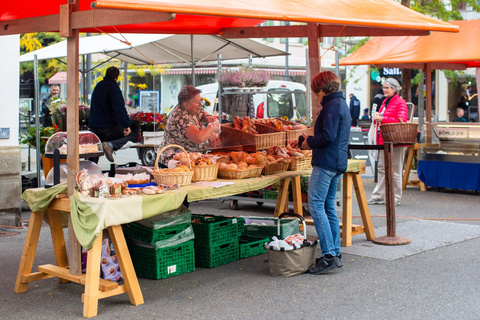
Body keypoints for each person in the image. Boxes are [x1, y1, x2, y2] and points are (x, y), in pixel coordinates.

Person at [298, 71, 351, 274]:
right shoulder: (341, 104)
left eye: (315, 91)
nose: (315, 95)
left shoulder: (331, 105)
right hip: (337, 162)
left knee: (316, 205)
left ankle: (329, 255)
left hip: (326, 162)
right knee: (328, 206)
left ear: (321, 89)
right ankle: (334, 253)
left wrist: (308, 141)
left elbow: (327, 135)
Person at [367, 78, 409, 206]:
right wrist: (377, 118)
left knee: (395, 169)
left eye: (387, 87)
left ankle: (396, 196)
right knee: (382, 168)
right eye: (384, 87)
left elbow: (402, 120)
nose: (384, 90)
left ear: (395, 89)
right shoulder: (385, 102)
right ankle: (378, 195)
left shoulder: (400, 102)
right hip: (384, 139)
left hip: (397, 141)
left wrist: (382, 118)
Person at [159, 85, 220, 167]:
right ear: (186, 105)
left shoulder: (191, 110)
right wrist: (212, 126)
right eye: (197, 102)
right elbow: (199, 137)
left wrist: (207, 116)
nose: (201, 104)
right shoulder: (181, 117)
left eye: (201, 101)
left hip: (190, 162)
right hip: (175, 163)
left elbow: (201, 113)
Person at [88, 66, 139, 162]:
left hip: (94, 126)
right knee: (133, 135)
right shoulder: (114, 88)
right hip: (108, 128)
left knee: (94, 152)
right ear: (117, 77)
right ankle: (111, 145)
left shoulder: (98, 86)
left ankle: (88, 172)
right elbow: (119, 109)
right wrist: (126, 125)